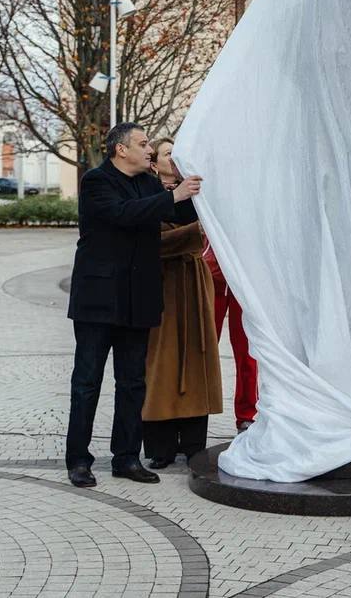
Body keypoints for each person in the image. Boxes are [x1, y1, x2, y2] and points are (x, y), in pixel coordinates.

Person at [65, 123, 202, 488]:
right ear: (120, 149)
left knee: (132, 383)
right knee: (87, 382)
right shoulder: (96, 182)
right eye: (143, 145)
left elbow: (177, 215)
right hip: (97, 301)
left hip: (137, 300)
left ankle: (126, 457)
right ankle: (79, 460)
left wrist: (199, 195)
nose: (150, 151)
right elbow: (125, 214)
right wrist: (172, 197)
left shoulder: (148, 183)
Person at [141, 138, 224, 468]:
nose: (173, 158)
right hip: (162, 285)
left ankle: (192, 443)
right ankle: (160, 446)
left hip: (194, 282)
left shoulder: (197, 193)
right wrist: (194, 232)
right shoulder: (146, 192)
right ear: (155, 162)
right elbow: (150, 240)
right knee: (162, 363)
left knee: (196, 358)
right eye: (165, 153)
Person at [204, 243, 259, 433]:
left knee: (247, 352)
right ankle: (193, 415)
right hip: (212, 276)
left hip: (243, 279)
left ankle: (246, 414)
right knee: (202, 350)